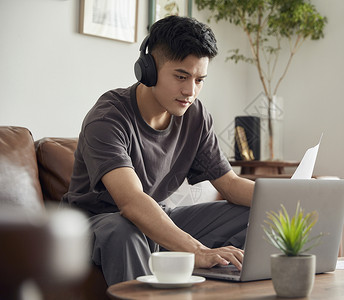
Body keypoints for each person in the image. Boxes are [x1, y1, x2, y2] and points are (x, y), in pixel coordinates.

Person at [62, 15, 255, 286]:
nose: (191, 91)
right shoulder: (108, 118)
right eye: (181, 76)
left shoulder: (196, 116)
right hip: (98, 225)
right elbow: (130, 202)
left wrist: (285, 199)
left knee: (254, 213)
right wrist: (197, 251)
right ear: (148, 69)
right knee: (124, 230)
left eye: (200, 80)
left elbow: (231, 184)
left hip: (158, 219)